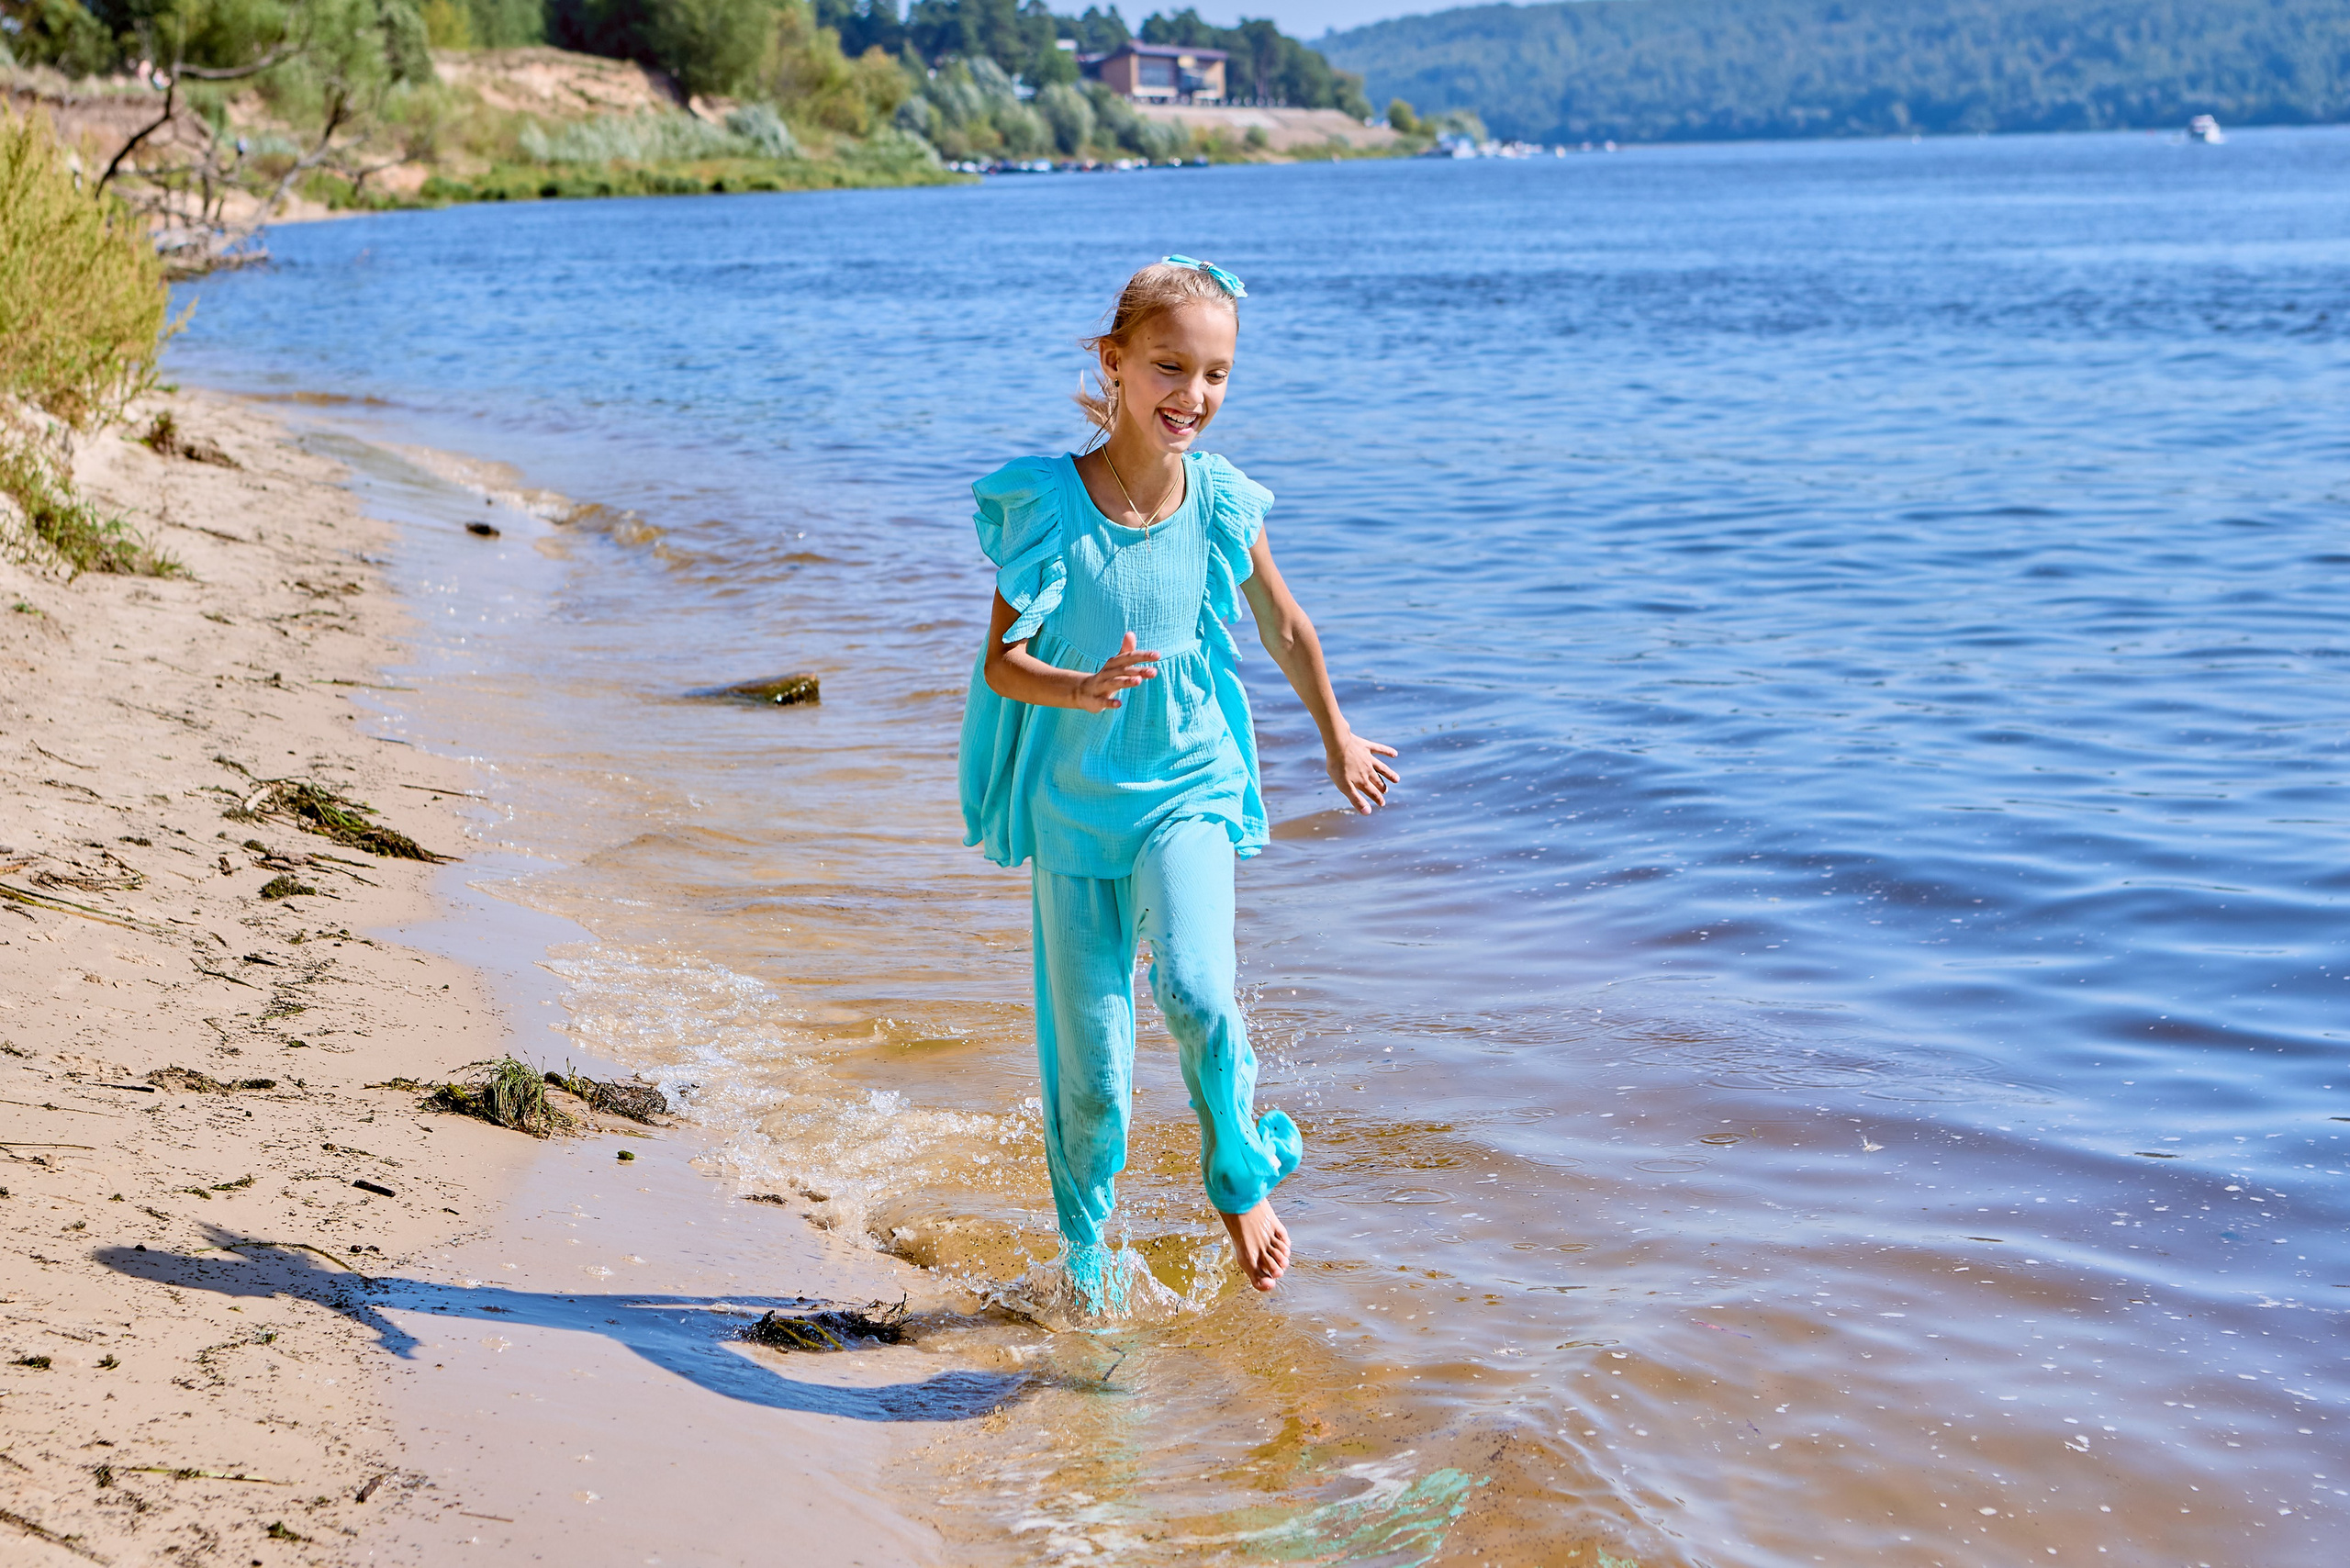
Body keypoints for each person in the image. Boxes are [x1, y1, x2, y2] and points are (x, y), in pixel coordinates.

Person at [957, 256, 1400, 1310]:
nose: (1190, 397)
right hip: (1072, 807)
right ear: (1113, 364)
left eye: (1215, 376)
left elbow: (1287, 628)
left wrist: (1336, 735)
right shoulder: (1048, 507)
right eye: (1168, 367)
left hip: (1190, 781)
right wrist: (1080, 687)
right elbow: (1001, 665)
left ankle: (1238, 1171)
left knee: (1199, 987)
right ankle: (1085, 1261)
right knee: (1091, 1074)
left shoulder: (1220, 502)